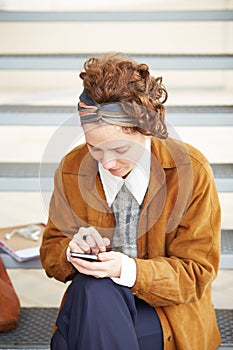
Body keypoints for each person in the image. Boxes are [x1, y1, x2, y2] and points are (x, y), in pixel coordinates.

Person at [40, 53, 221, 350]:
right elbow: (51, 253)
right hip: (94, 302)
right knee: (94, 286)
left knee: (77, 333)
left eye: (120, 148)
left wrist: (126, 269)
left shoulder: (191, 170)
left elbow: (197, 273)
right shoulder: (72, 168)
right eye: (95, 149)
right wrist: (71, 252)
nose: (108, 162)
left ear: (147, 131)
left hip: (167, 315)